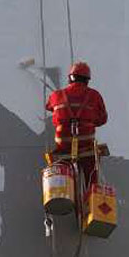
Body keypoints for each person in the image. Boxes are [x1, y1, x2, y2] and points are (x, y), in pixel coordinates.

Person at [45, 61, 108, 191]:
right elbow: (102, 119)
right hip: (86, 146)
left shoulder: (56, 95)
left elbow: (48, 106)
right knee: (91, 168)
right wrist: (88, 120)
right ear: (87, 80)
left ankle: (64, 191)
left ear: (70, 78)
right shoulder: (94, 95)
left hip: (63, 147)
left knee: (61, 170)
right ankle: (90, 192)